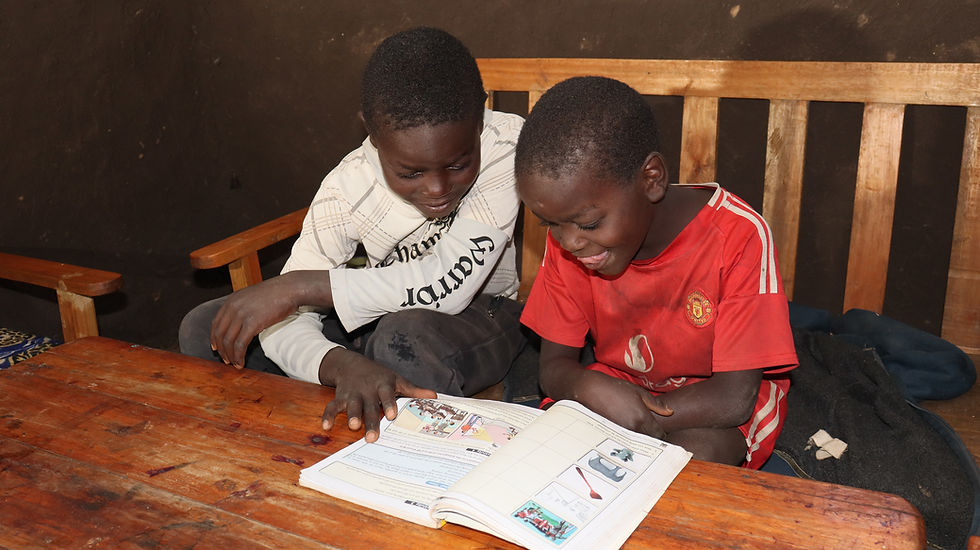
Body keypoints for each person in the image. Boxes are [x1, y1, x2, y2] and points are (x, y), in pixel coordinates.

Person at [179, 27, 526, 442]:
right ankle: (296, 441)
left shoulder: (505, 146)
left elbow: (448, 284)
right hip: (377, 323)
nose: (437, 189)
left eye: (457, 164)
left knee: (402, 340)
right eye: (410, 172)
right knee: (212, 326)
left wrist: (299, 287)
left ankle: (432, 456)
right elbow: (286, 315)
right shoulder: (348, 187)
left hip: (482, 317)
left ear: (479, 116)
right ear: (372, 135)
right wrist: (341, 363)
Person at [515, 76, 798, 468]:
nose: (570, 242)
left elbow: (734, 398)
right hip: (618, 387)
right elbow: (554, 368)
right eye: (551, 225)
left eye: (590, 224)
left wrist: (641, 417)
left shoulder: (738, 235)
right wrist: (585, 385)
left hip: (714, 401)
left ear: (651, 179)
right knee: (543, 452)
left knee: (694, 458)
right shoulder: (571, 238)